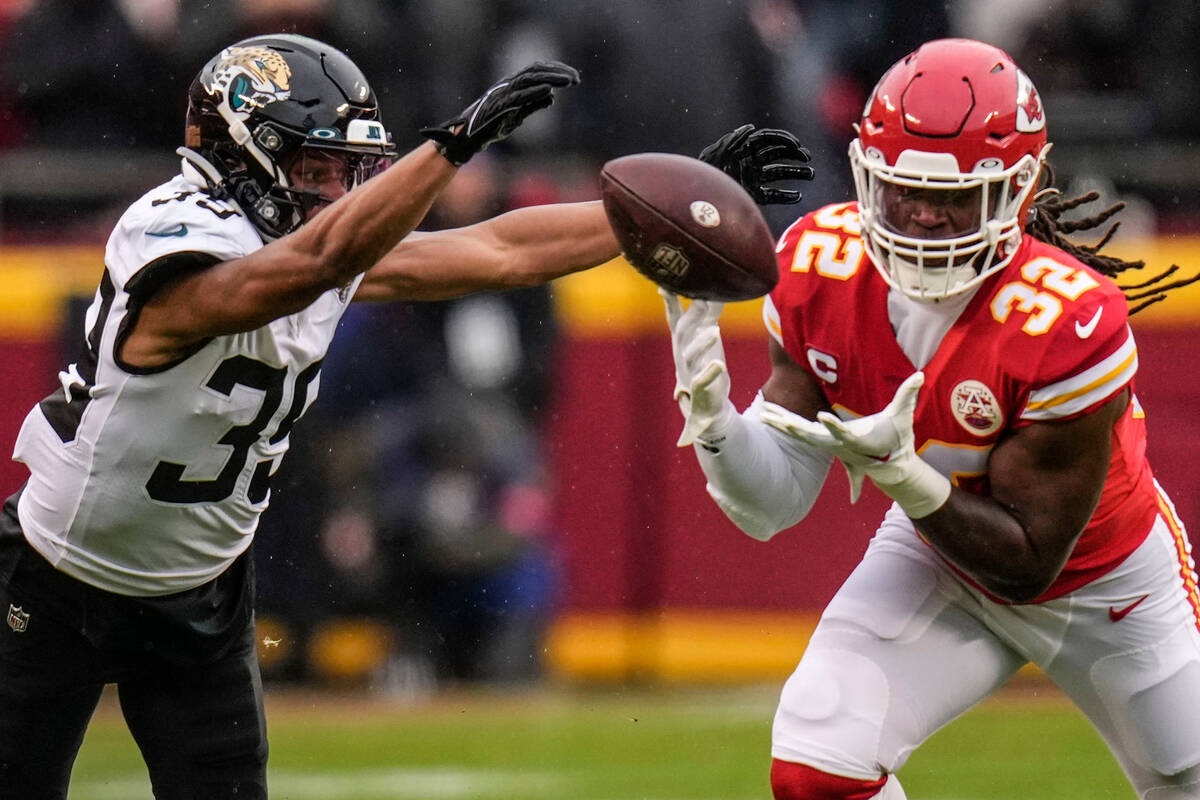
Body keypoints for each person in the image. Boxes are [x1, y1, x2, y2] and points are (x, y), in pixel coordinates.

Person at [0, 32, 625, 798]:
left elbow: (499, 250)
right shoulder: (171, 230)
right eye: (315, 168)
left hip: (202, 594)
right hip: (59, 575)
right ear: (241, 154)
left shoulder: (309, 239)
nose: (335, 193)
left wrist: (654, 216)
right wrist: (452, 149)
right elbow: (308, 268)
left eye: (348, 173)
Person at [662, 38, 1200, 799]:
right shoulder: (820, 265)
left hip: (1107, 582)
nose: (920, 215)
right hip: (940, 556)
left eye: (950, 198)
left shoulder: (1071, 320)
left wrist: (904, 477)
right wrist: (714, 417)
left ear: (1019, 189)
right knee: (817, 759)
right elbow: (770, 505)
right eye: (901, 190)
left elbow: (1029, 561)